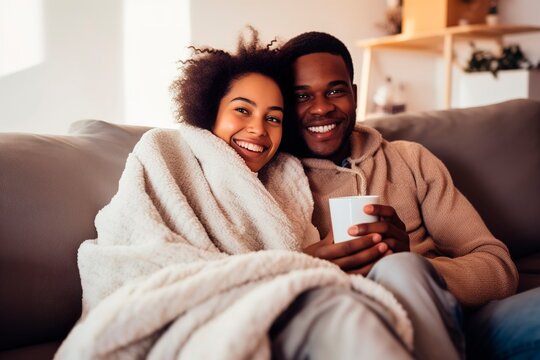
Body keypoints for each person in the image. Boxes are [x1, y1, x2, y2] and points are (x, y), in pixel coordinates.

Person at [57, 29, 419, 359]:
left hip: (272, 313)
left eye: (273, 118)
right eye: (243, 110)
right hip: (180, 313)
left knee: (347, 309)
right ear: (211, 111)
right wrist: (303, 263)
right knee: (342, 312)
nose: (258, 130)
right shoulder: (164, 152)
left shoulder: (284, 180)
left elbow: (298, 279)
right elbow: (138, 257)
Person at [279, 31, 540, 360]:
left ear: (355, 96)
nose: (321, 108)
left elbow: (498, 269)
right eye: (302, 96)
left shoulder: (410, 160)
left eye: (335, 90)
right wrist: (313, 263)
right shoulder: (277, 183)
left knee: (402, 269)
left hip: (460, 319)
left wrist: (419, 269)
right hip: (360, 333)